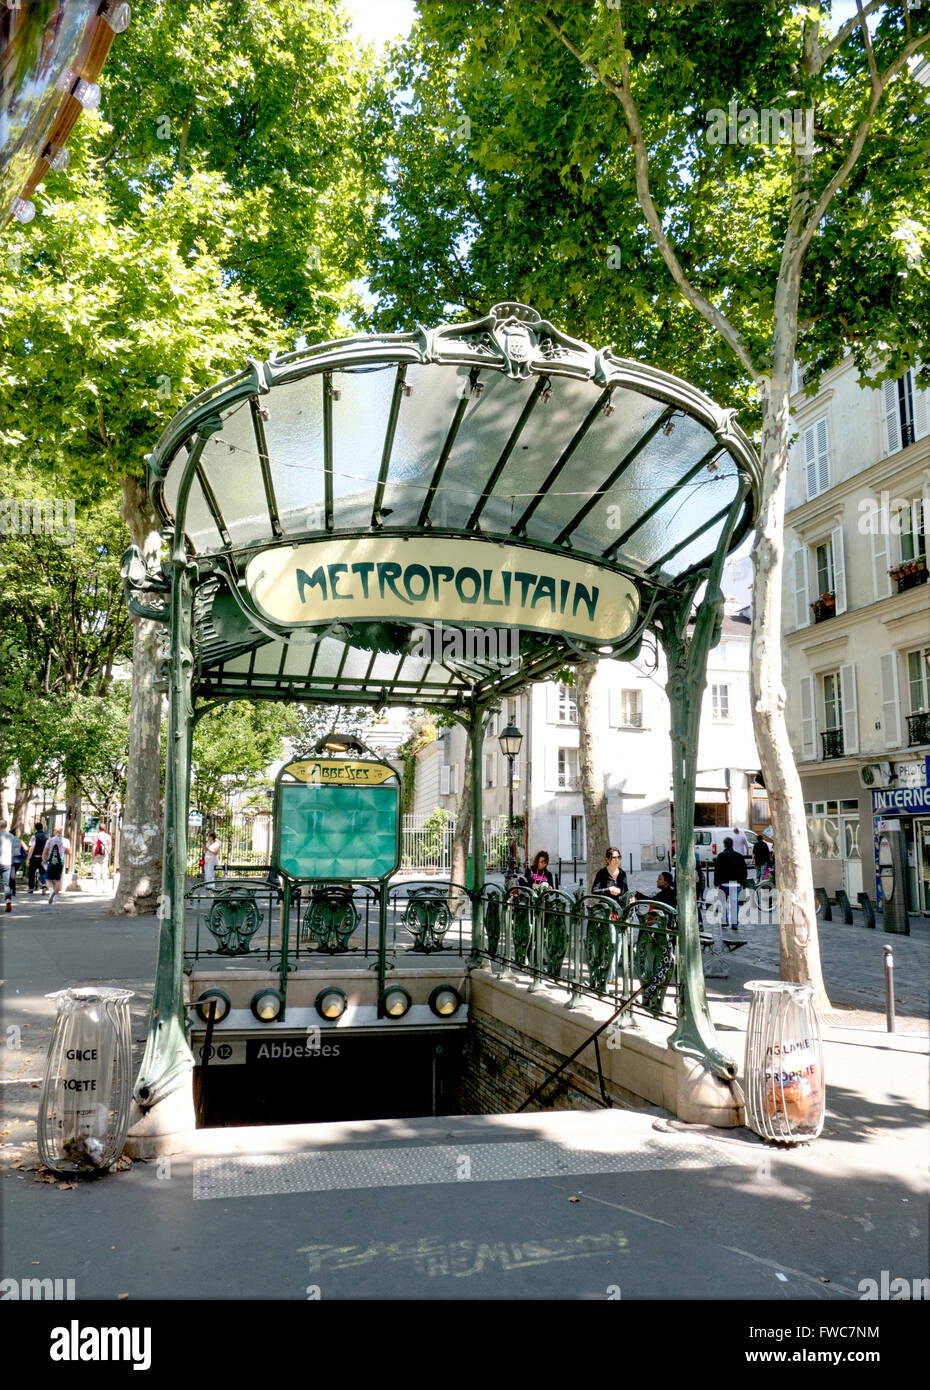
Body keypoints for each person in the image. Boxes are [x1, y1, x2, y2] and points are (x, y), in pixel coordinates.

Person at [713, 836, 748, 930]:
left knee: (723, 903)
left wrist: (716, 883)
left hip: (724, 883)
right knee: (734, 904)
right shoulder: (739, 856)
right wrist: (743, 883)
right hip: (735, 883)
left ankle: (724, 921)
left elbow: (717, 870)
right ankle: (734, 923)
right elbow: (744, 871)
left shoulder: (721, 856)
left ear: (724, 845)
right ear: (732, 844)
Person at [41, 826, 71, 906]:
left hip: (51, 862)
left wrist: (43, 860)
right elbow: (69, 852)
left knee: (48, 879)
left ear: (55, 831)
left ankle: (51, 891)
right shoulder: (66, 841)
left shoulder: (50, 840)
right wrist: (63, 850)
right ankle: (55, 899)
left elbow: (45, 851)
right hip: (60, 862)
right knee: (57, 880)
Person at [0, 821, 18, 912]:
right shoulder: (11, 836)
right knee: (6, 884)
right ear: (6, 826)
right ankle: (8, 902)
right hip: (7, 862)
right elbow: (13, 851)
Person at [27, 822, 48, 894]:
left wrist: (28, 859)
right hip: (43, 857)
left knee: (31, 873)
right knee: (43, 872)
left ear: (35, 828)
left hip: (34, 857)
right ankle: (44, 885)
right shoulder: (46, 837)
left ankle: (31, 888)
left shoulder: (34, 836)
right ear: (42, 827)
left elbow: (32, 847)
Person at [91, 826, 113, 892]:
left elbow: (94, 846)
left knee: (96, 870)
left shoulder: (96, 836)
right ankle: (104, 887)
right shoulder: (108, 837)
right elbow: (110, 846)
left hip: (97, 855)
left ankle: (97, 887)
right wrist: (108, 853)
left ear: (99, 829)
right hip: (105, 855)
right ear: (105, 829)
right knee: (104, 870)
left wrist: (93, 854)